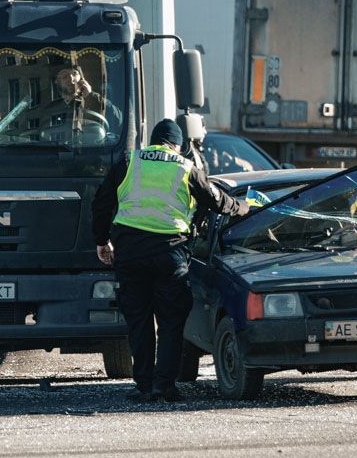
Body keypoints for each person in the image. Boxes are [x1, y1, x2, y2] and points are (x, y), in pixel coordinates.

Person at [92, 119, 249, 403]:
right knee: (171, 322)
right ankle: (163, 386)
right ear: (177, 145)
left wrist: (102, 241)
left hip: (130, 253)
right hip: (170, 253)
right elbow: (216, 200)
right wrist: (243, 207)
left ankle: (142, 386)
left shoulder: (130, 161)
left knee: (138, 321)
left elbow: (102, 202)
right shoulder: (186, 167)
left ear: (152, 141)